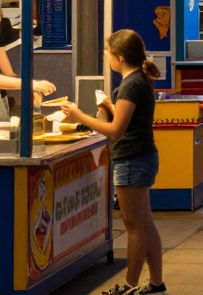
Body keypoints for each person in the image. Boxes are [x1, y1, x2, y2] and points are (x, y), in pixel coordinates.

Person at [61, 31, 164, 295]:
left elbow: (116, 129)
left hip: (131, 159)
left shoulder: (131, 84)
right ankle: (155, 282)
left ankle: (129, 285)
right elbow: (124, 119)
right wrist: (108, 104)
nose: (105, 57)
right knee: (145, 222)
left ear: (120, 57)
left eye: (108, 53)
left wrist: (79, 116)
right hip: (142, 155)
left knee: (133, 226)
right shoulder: (137, 80)